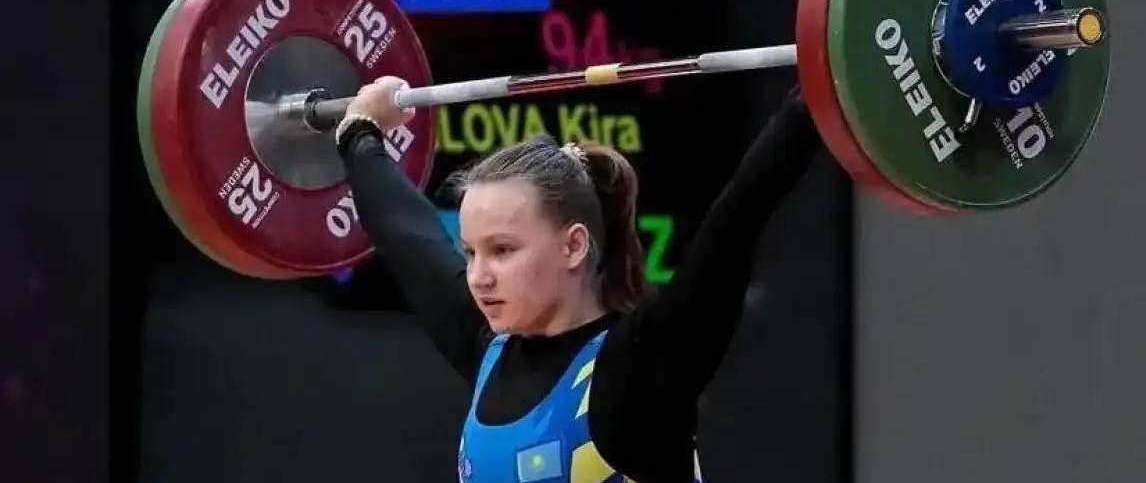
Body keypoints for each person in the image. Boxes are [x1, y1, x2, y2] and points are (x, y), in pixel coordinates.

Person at [334, 76, 821, 483]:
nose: (479, 277)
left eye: (502, 250)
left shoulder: (639, 369)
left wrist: (818, 88)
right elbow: (409, 236)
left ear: (574, 245)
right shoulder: (488, 347)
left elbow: (737, 220)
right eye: (471, 252)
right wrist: (360, 131)